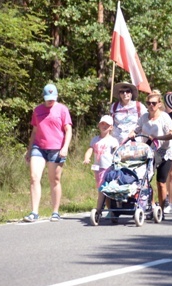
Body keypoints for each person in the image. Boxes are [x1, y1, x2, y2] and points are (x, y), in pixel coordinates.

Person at [23, 84, 73, 222]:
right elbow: (34, 131)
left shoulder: (62, 109)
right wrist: (29, 149)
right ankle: (34, 212)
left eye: (53, 98)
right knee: (34, 177)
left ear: (56, 96)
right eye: (47, 98)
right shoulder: (37, 110)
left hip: (56, 148)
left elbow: (68, 130)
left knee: (54, 179)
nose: (50, 101)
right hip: (38, 147)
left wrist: (65, 147)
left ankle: (55, 211)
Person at [131, 91, 172, 212]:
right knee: (145, 180)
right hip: (148, 151)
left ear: (159, 104)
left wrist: (158, 138)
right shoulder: (144, 117)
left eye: (154, 103)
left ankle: (161, 208)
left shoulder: (164, 117)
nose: (151, 105)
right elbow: (136, 129)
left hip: (164, 151)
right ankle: (152, 204)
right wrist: (132, 134)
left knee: (161, 182)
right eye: (149, 103)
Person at [83, 115, 118, 215]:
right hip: (97, 168)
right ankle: (110, 210)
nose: (104, 126)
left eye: (107, 124)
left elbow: (116, 153)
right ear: (99, 125)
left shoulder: (113, 140)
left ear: (111, 127)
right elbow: (90, 150)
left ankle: (98, 209)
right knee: (102, 189)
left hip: (108, 168)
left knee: (103, 189)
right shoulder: (95, 139)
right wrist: (87, 157)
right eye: (102, 124)